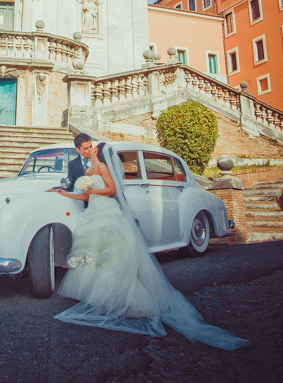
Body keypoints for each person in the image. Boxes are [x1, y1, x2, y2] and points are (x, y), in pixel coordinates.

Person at [54, 143, 248, 350]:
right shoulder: (88, 170)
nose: (91, 149)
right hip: (93, 211)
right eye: (88, 148)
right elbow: (86, 195)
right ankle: (94, 294)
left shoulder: (102, 167)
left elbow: (111, 189)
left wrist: (92, 188)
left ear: (99, 153)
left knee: (114, 255)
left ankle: (119, 298)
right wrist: (66, 194)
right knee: (94, 254)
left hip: (106, 211)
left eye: (94, 148)